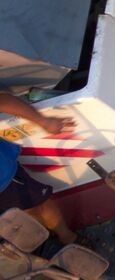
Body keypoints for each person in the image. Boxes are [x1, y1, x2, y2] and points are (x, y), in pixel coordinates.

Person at [0, 94, 77, 245]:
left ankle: (68, 238)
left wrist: (44, 121)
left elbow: (3, 100)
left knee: (39, 206)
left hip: (4, 178)